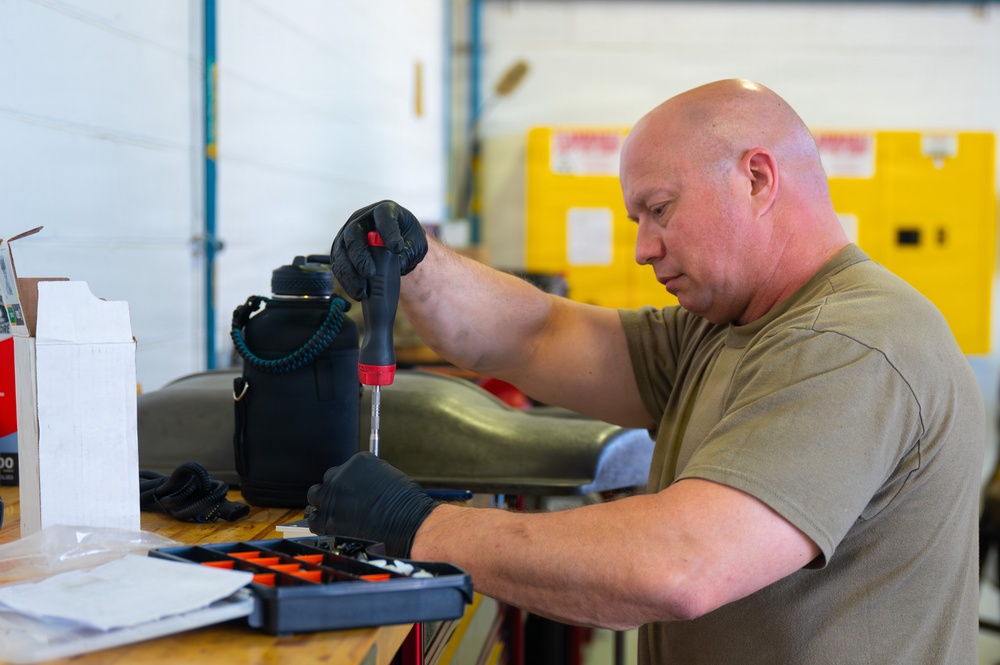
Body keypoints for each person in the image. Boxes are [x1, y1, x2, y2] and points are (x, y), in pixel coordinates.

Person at [309, 79, 984, 664]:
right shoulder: (729, 323)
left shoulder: (847, 343)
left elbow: (678, 566)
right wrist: (416, 262)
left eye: (659, 210)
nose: (641, 247)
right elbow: (542, 335)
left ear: (757, 179)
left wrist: (419, 523)